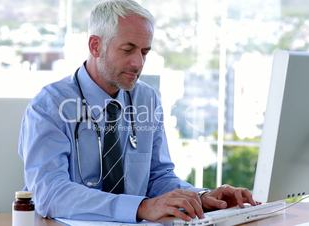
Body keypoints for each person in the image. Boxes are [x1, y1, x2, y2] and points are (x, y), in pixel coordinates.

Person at [18, 0, 257, 223]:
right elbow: (49, 193)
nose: (138, 63)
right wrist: (141, 207)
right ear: (95, 46)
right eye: (128, 49)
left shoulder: (147, 99)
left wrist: (202, 197)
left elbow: (159, 177)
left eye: (144, 52)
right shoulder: (49, 106)